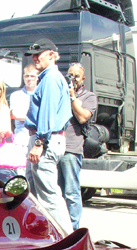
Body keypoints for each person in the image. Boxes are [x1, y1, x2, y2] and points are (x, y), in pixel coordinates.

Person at [24, 38, 73, 234]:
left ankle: (67, 238)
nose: (35, 58)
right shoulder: (50, 77)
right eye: (33, 55)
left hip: (45, 138)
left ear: (51, 55)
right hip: (48, 138)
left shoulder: (51, 78)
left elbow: (47, 113)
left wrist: (39, 142)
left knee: (48, 196)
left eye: (39, 54)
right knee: (35, 194)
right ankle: (47, 236)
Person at [58, 63, 97, 230]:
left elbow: (82, 118)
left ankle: (73, 229)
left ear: (83, 79)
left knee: (71, 192)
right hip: (55, 146)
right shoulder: (60, 93)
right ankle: (58, 226)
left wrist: (73, 97)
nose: (73, 78)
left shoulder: (89, 96)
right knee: (56, 191)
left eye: (76, 76)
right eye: (70, 75)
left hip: (71, 149)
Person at [9, 64, 38, 148]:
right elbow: (17, 115)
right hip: (21, 139)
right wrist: (37, 117)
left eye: (32, 76)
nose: (29, 79)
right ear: (23, 77)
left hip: (38, 139)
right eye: (27, 76)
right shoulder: (15, 95)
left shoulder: (42, 95)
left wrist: (26, 115)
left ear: (37, 77)